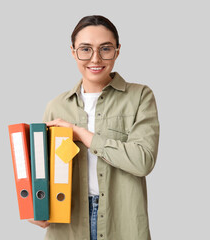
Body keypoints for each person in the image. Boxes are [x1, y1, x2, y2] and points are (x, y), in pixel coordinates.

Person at [28, 15, 160, 240]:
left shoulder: (140, 96)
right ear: (73, 52)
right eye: (85, 49)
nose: (95, 58)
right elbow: (42, 169)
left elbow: (143, 161)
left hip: (122, 220)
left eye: (105, 49)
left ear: (117, 51)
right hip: (67, 223)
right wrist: (37, 206)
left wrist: (81, 134)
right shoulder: (56, 106)